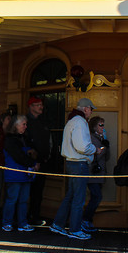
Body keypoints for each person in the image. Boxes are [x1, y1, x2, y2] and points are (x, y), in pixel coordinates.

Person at [50, 97, 98, 240]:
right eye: (91, 109)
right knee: (78, 198)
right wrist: (95, 149)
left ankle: (58, 224)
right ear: (86, 109)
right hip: (79, 164)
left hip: (71, 163)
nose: (91, 112)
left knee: (71, 195)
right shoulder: (80, 122)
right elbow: (82, 146)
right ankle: (75, 229)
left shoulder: (72, 120)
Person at [1, 115, 38, 232]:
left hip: (25, 174)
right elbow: (18, 156)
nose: (25, 127)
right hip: (14, 173)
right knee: (12, 199)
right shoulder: (10, 139)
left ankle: (23, 223)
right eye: (23, 124)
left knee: (23, 200)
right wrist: (32, 163)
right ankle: (7, 222)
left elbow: (32, 151)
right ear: (16, 125)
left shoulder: (25, 138)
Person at [26, 97, 52, 226]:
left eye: (41, 105)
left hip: (43, 162)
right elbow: (25, 143)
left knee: (38, 192)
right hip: (29, 163)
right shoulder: (26, 122)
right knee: (26, 192)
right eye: (38, 105)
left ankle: (34, 216)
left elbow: (48, 141)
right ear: (31, 106)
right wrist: (32, 160)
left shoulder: (43, 121)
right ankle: (24, 218)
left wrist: (47, 156)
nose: (41, 107)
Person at [83, 116, 109, 233]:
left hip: (100, 173)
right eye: (100, 125)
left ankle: (88, 220)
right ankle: (85, 219)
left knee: (96, 197)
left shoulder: (101, 138)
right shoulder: (91, 138)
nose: (103, 127)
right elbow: (94, 156)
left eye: (103, 125)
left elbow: (107, 157)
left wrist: (106, 145)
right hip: (92, 173)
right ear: (94, 127)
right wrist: (104, 148)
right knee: (97, 196)